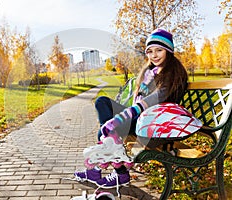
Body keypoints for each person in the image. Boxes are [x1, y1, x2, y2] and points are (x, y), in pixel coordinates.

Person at [74, 28, 189, 189]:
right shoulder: (150, 73)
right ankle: (108, 166)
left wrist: (118, 119)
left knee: (106, 131)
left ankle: (112, 172)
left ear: (169, 51)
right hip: (140, 118)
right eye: (150, 51)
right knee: (102, 102)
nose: (154, 55)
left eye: (159, 50)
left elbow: (152, 100)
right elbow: (138, 101)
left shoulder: (173, 74)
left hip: (154, 124)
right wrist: (119, 118)